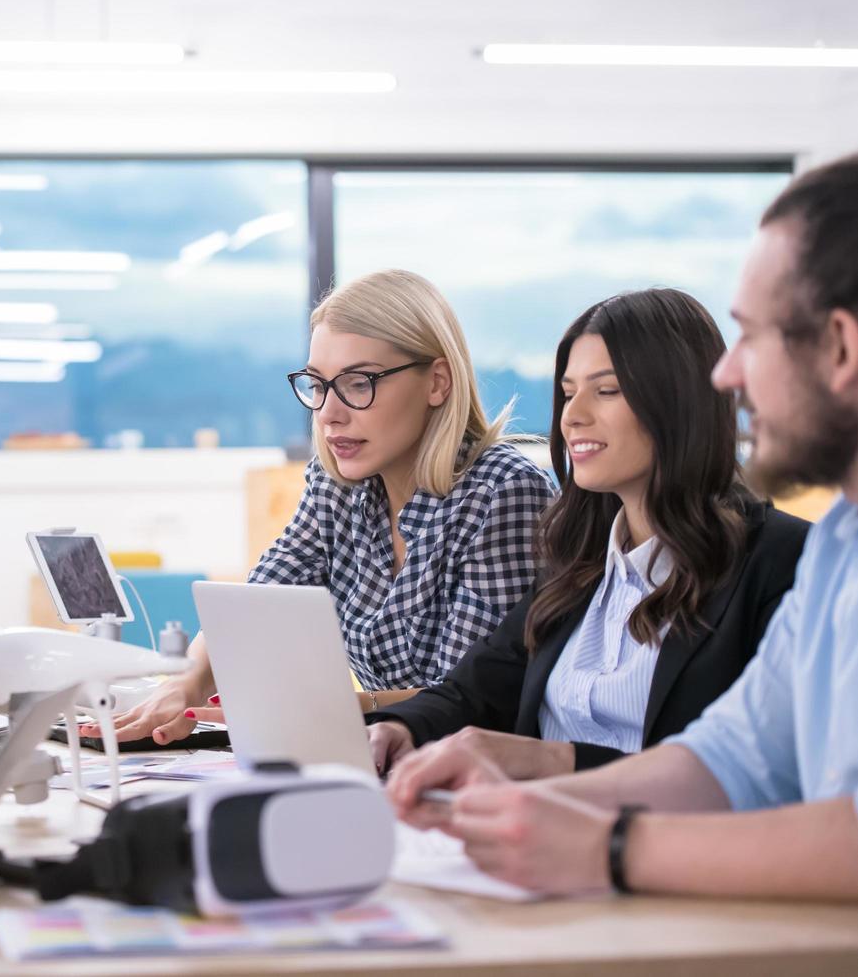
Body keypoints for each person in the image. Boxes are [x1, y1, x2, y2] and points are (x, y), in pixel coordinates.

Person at [387, 154, 858, 900]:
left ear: (839, 347)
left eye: (752, 337)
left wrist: (608, 844)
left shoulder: (788, 557)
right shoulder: (840, 547)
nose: (726, 376)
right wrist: (531, 803)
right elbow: (731, 758)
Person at [364, 289, 807, 778]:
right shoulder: (577, 563)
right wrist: (400, 727)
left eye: (607, 390)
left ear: (679, 401)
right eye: (569, 393)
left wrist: (555, 760)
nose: (571, 417)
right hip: (527, 836)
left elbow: (761, 775)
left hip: (659, 847)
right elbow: (474, 689)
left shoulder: (783, 563)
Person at [109, 269, 555, 745]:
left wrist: (305, 702)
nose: (328, 413)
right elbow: (255, 608)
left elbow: (467, 699)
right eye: (317, 385)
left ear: (437, 382)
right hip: (380, 753)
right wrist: (187, 685)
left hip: (474, 772)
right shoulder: (340, 484)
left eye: (358, 383)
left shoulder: (505, 491)